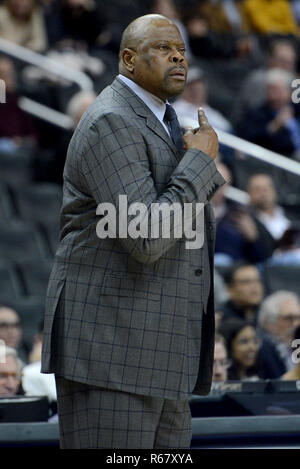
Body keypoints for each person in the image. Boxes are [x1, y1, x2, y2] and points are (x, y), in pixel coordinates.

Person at [41, 13, 225, 449]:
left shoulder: (162, 122)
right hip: (112, 352)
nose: (178, 56)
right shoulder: (111, 120)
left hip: (158, 355)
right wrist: (199, 162)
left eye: (180, 49)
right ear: (128, 59)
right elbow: (146, 236)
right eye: (163, 48)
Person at [237, 68, 300, 158]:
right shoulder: (257, 114)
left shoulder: (296, 109)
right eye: (271, 91)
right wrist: (275, 125)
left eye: (278, 91)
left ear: (288, 92)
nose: (274, 96)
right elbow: (251, 139)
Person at [173, 66, 233, 133]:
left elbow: (228, 131)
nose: (196, 90)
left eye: (199, 86)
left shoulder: (214, 115)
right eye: (191, 86)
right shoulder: (175, 109)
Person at [257, 290, 300, 374]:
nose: (295, 324)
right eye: (288, 318)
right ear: (268, 322)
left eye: (298, 318)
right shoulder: (260, 349)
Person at [247, 173, 291, 244]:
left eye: (266, 189)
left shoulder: (290, 214)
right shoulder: (248, 220)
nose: (263, 194)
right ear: (250, 193)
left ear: (274, 191)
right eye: (258, 190)